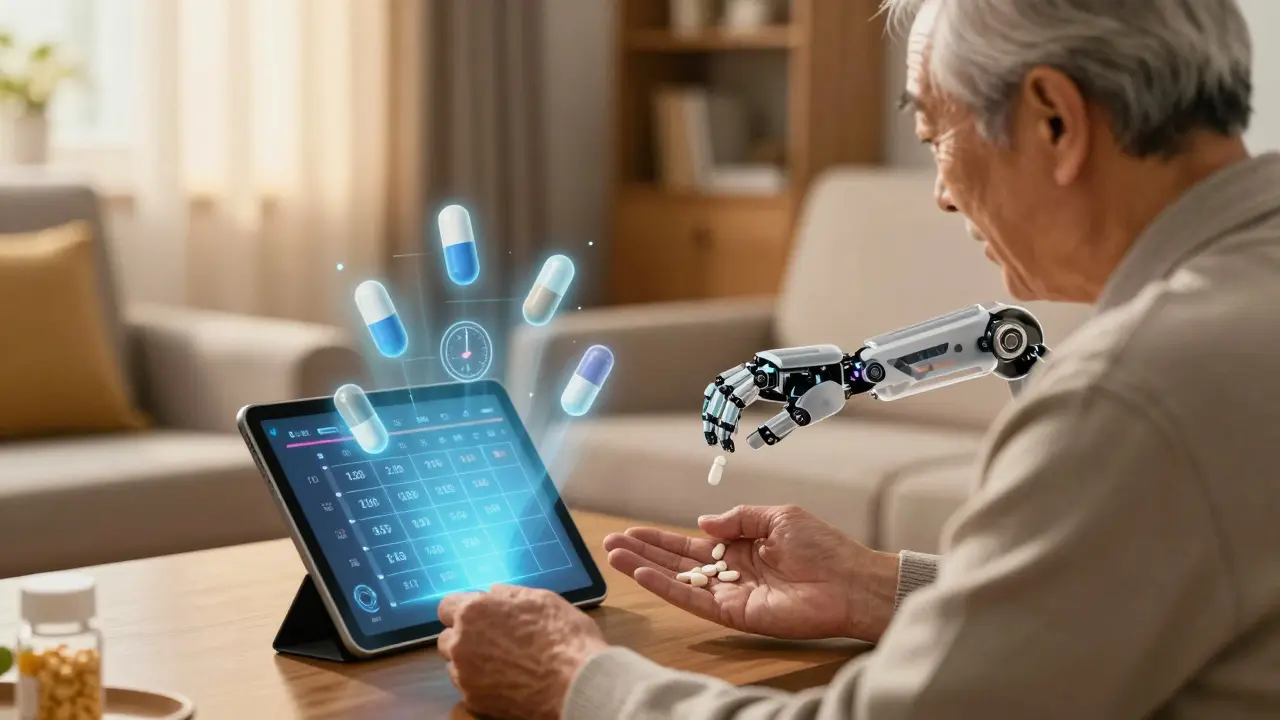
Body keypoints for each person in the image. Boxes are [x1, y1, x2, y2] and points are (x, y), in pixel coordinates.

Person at [436, 0, 1280, 717]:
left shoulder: (1128, 393)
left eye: (933, 134)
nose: (943, 192)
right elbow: (1162, 591)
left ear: (1054, 120)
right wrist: (882, 588)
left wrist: (578, 679)